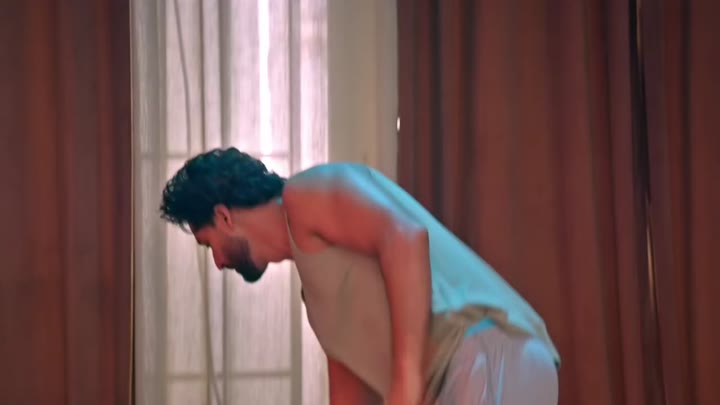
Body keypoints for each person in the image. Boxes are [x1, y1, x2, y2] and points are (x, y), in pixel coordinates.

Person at [160, 147, 560, 405]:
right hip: (458, 376)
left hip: (486, 349)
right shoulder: (318, 297)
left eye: (208, 245)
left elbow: (404, 238)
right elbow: (350, 394)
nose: (217, 263)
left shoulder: (306, 195)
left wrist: (404, 385)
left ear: (224, 217)